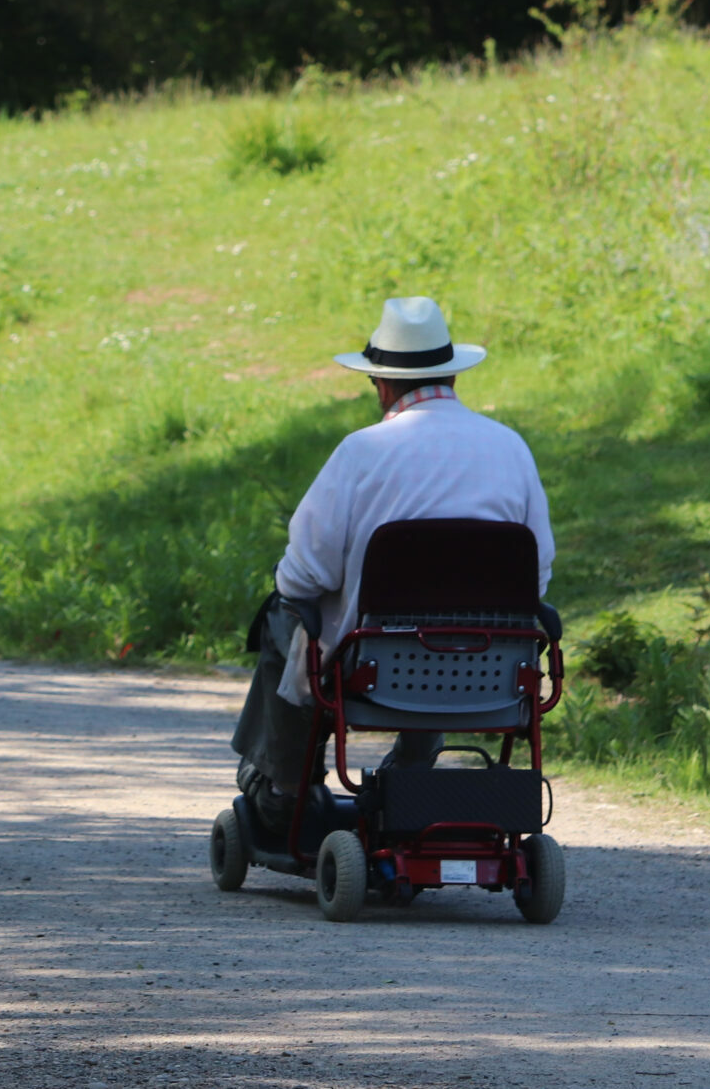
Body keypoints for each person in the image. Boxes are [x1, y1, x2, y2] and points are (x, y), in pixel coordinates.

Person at [230, 296, 555, 834]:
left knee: (285, 615)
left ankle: (285, 788)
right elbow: (536, 575)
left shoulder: (362, 452)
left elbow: (303, 576)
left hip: (378, 670)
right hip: (490, 672)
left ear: (381, 385)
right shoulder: (511, 448)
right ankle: (410, 771)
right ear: (451, 374)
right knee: (440, 621)